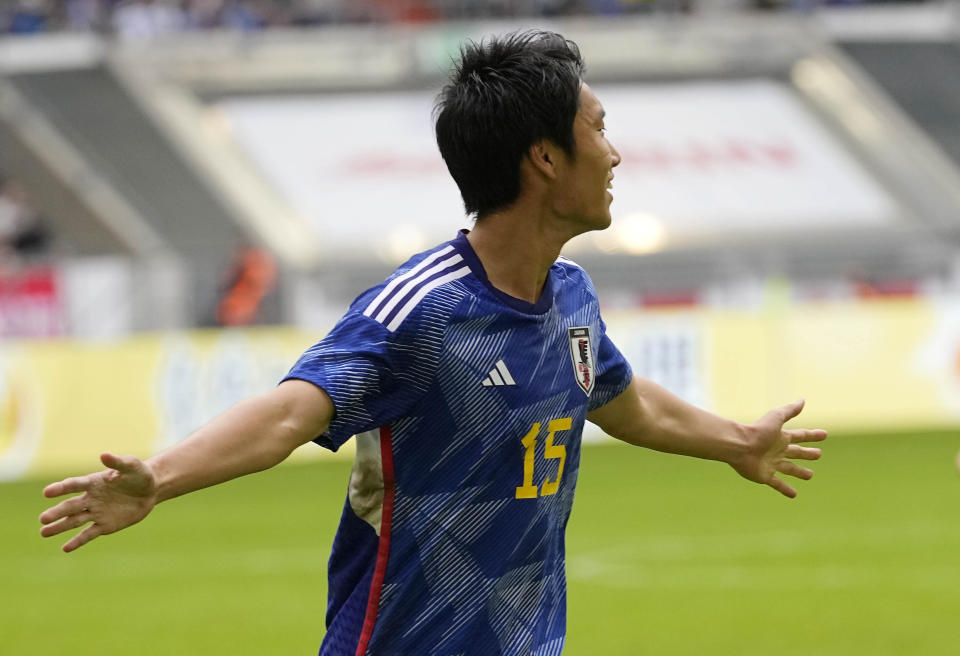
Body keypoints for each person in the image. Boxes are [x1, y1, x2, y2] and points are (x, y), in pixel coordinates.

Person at [39, 30, 827, 656]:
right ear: (546, 159)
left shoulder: (572, 297)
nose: (615, 154)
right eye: (599, 130)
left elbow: (621, 402)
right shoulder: (421, 311)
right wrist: (161, 479)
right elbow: (289, 414)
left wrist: (735, 443)